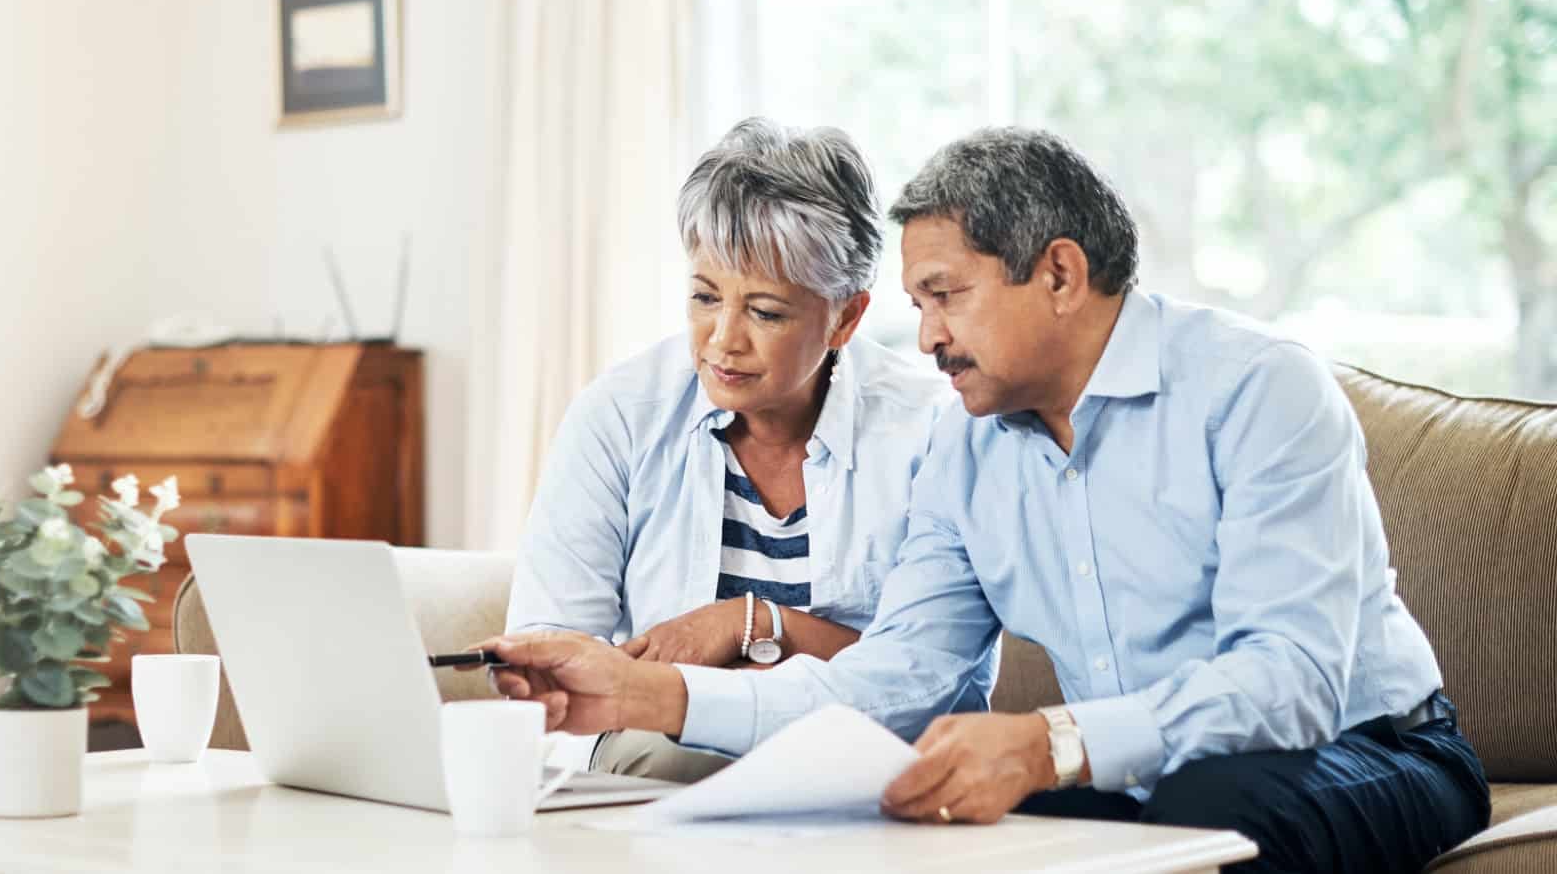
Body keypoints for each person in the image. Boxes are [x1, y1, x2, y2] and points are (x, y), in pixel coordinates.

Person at [473, 127, 1492, 872]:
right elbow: (893, 683)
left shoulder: (1257, 389)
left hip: (1366, 747)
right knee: (975, 837)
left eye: (945, 296)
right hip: (1136, 774)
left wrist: (1051, 743)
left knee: (1203, 808)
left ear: (1059, 275)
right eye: (917, 305)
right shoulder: (962, 449)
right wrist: (643, 695)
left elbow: (1290, 684)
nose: (924, 338)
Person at [501, 117, 981, 784]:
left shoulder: (930, 432)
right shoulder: (620, 415)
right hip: (659, 767)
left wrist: (752, 623)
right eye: (704, 297)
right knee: (664, 756)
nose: (723, 339)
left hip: (862, 765)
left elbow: (933, 680)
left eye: (765, 312)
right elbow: (552, 650)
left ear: (845, 317)